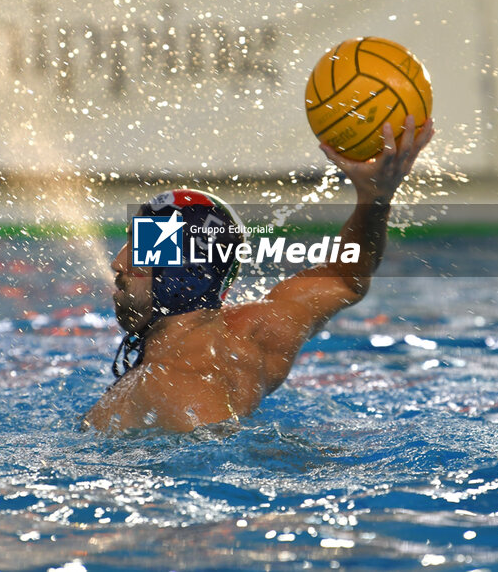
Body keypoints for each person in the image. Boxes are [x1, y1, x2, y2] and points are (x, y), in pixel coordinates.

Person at [83, 113, 434, 433]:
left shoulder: (173, 385)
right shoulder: (257, 330)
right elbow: (345, 278)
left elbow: (219, 468)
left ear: (181, 272)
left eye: (140, 248)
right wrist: (374, 199)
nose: (117, 263)